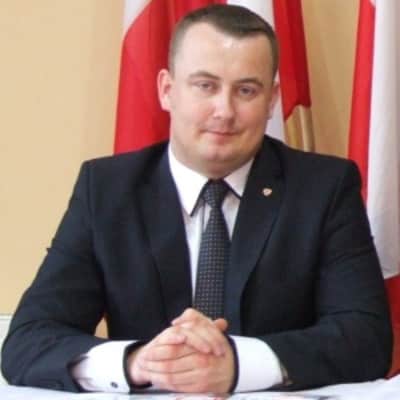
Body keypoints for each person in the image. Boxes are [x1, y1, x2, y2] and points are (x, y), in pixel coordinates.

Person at [1, 4, 392, 395]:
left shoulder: (324, 189)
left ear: (272, 99)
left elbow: (367, 339)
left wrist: (237, 364)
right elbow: (28, 341)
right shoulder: (106, 190)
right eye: (205, 86)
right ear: (167, 90)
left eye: (246, 90)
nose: (224, 111)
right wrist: (139, 362)